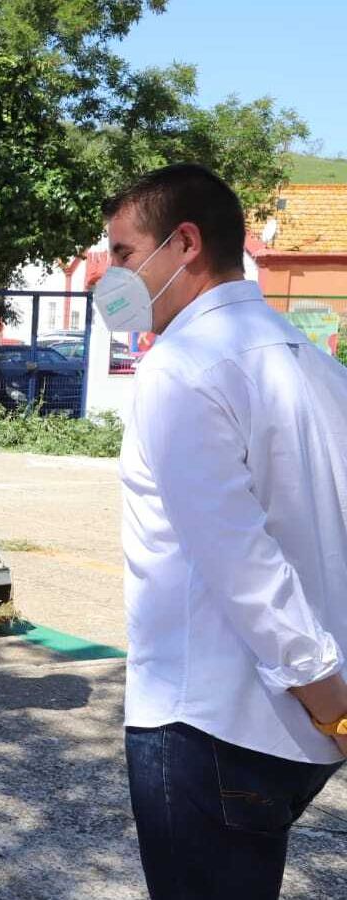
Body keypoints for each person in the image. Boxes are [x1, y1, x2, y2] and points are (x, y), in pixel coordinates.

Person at [101, 163, 347, 899]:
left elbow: (239, 556)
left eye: (120, 252)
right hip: (295, 734)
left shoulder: (181, 367)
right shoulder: (310, 360)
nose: (108, 276)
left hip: (208, 723)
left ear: (183, 244)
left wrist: (319, 684)